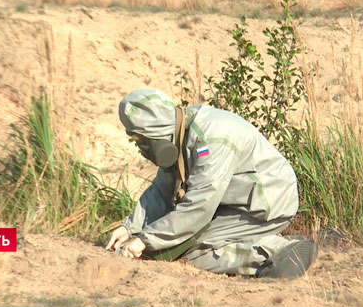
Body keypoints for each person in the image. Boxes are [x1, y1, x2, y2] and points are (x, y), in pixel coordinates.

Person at [105, 88, 317, 278]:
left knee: (191, 252)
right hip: (235, 202)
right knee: (174, 243)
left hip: (266, 203)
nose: (141, 148)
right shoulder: (179, 131)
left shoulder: (211, 139)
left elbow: (200, 206)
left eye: (141, 140)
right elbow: (161, 191)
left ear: (155, 130)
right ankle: (260, 246)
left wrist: (145, 239)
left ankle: (275, 252)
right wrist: (130, 228)